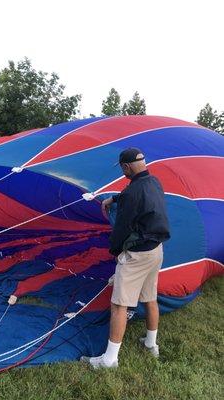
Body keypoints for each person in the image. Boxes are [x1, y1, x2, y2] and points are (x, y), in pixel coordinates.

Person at [81, 147, 170, 368]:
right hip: (156, 250)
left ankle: (109, 360)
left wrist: (115, 252)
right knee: (150, 298)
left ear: (126, 167)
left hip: (137, 256)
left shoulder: (132, 193)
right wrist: (114, 198)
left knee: (119, 304)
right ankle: (151, 344)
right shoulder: (154, 182)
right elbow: (136, 194)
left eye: (123, 169)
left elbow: (121, 229)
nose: (123, 173)